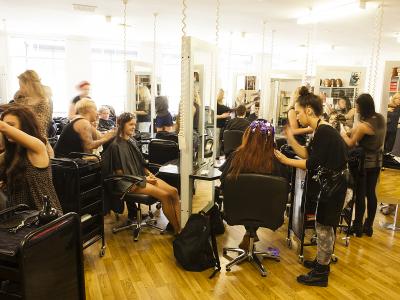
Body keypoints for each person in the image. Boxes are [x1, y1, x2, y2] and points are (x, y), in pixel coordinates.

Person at [274, 87, 348, 287]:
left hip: (336, 185)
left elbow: (310, 164)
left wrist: (286, 161)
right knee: (322, 224)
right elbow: (308, 154)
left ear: (308, 110)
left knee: (324, 226)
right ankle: (320, 261)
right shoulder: (321, 130)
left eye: (298, 112)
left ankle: (321, 273)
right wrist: (290, 140)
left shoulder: (324, 131)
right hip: (332, 183)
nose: (296, 117)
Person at [102, 112, 181, 233]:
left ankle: (177, 225)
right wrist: (144, 180)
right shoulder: (115, 146)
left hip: (140, 177)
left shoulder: (132, 140)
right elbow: (120, 175)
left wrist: (149, 173)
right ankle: (178, 231)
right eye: (130, 124)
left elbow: (141, 163)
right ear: (121, 124)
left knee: (174, 192)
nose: (134, 127)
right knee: (165, 196)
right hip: (128, 183)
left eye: (135, 124)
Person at [220, 119, 287, 250]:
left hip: (237, 209)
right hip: (268, 211)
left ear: (247, 136)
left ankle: (249, 232)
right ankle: (251, 232)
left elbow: (224, 184)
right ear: (271, 139)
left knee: (248, 197)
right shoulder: (277, 160)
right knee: (260, 198)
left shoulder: (235, 156)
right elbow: (285, 189)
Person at [0, 105, 62, 212]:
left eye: (11, 125)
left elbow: (4, 128)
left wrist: (4, 127)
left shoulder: (37, 148)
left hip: (44, 217)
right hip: (19, 217)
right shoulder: (10, 154)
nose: (7, 131)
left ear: (25, 126)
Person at [340, 93, 386, 237]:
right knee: (371, 193)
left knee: (360, 194)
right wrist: (351, 131)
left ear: (363, 106)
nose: (356, 108)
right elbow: (357, 131)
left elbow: (350, 143)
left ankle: (357, 227)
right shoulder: (380, 119)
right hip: (377, 161)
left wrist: (342, 133)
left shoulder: (364, 125)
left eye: (358, 105)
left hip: (363, 163)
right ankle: (369, 227)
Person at [13, 70, 54, 157]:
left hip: (38, 145)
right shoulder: (23, 100)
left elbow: (40, 127)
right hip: (23, 143)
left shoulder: (44, 102)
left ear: (29, 85)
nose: (20, 89)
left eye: (21, 86)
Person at [216, 89, 231, 156]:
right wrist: (222, 116)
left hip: (223, 127)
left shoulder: (224, 105)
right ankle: (216, 157)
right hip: (217, 126)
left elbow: (230, 110)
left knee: (220, 143)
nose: (223, 96)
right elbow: (212, 116)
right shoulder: (215, 104)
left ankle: (218, 157)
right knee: (217, 143)